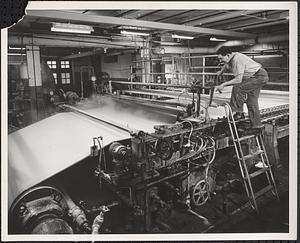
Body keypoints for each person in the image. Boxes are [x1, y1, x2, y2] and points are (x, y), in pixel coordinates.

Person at [215, 46, 269, 129]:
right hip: (257, 75)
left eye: (221, 58)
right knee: (252, 101)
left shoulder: (237, 60)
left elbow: (238, 80)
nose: (220, 61)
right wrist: (221, 72)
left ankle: (238, 113)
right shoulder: (231, 57)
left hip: (258, 77)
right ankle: (257, 125)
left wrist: (223, 84)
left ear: (228, 55)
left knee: (238, 88)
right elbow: (226, 65)